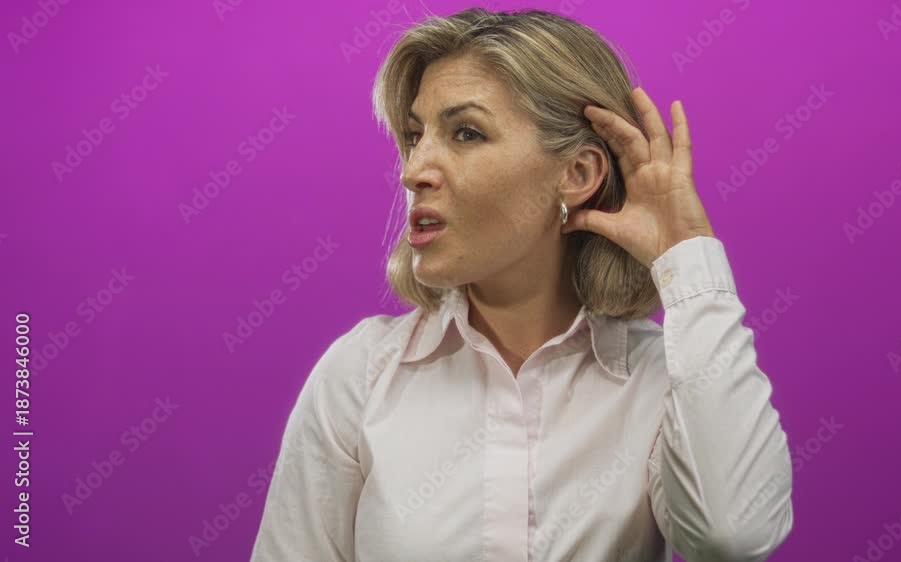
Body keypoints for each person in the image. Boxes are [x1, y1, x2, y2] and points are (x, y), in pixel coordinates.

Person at [250, 7, 793, 562]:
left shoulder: (662, 379)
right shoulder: (360, 375)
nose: (413, 171)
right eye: (415, 136)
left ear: (577, 174)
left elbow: (734, 533)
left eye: (466, 133)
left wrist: (686, 254)